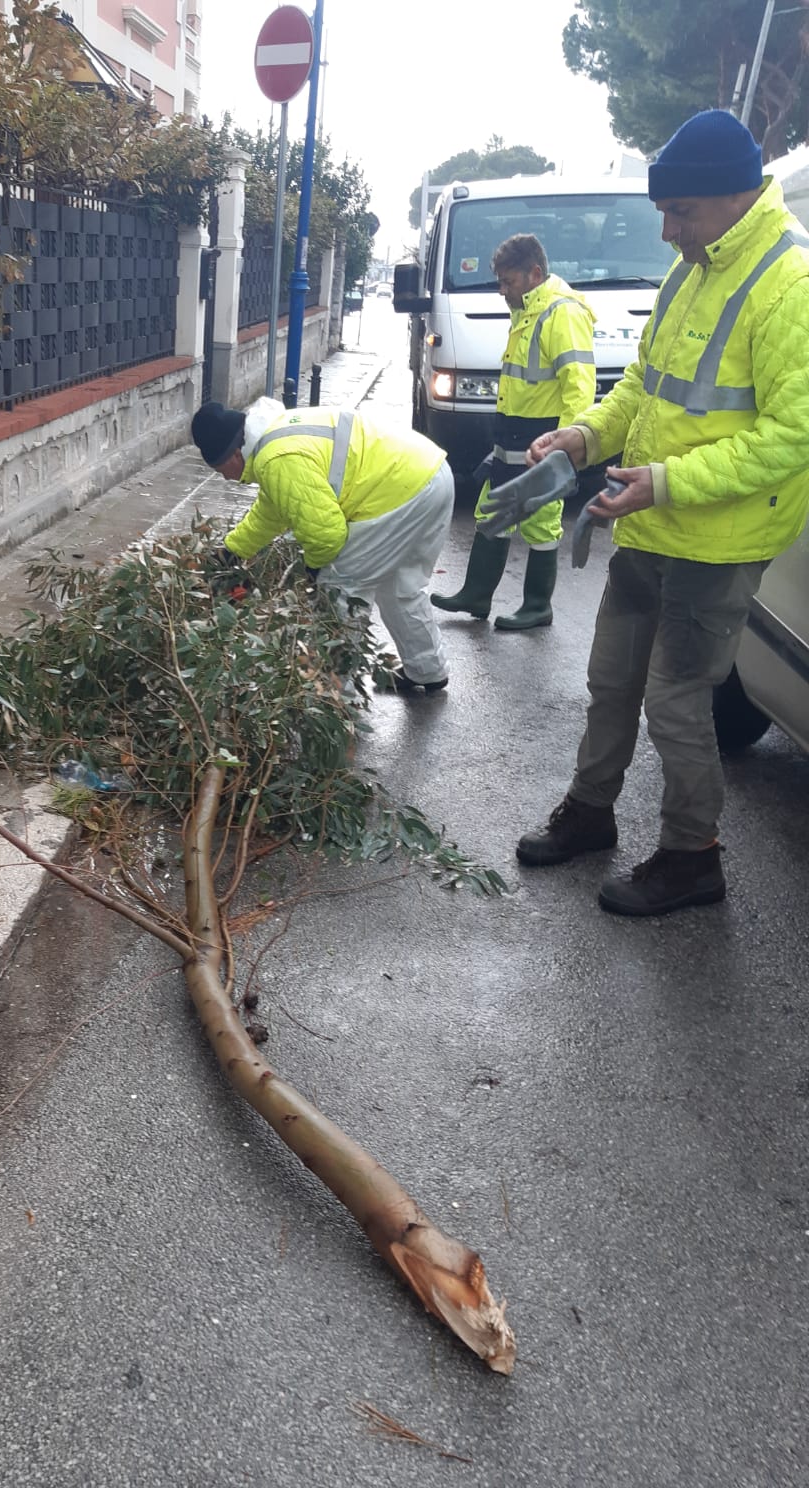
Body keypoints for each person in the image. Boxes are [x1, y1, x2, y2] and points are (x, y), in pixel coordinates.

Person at [516, 108, 809, 916]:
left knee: (676, 701)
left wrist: (668, 482)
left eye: (680, 212)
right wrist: (583, 436)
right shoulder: (694, 266)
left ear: (737, 194)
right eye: (666, 214)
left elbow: (793, 436)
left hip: (717, 542)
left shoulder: (791, 283)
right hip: (649, 521)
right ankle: (590, 811)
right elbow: (646, 385)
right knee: (611, 677)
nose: (670, 230)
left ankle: (692, 857)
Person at [190, 395, 454, 693]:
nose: (226, 479)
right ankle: (427, 670)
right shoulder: (276, 435)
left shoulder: (276, 459)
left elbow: (327, 536)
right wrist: (232, 550)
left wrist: (314, 569)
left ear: (232, 456)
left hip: (399, 494)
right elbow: (275, 509)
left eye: (219, 471)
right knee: (400, 587)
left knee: (341, 590)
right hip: (431, 475)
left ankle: (336, 697)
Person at [432, 232, 596, 629]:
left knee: (540, 520)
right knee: (492, 508)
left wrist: (567, 445)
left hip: (541, 437)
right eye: (501, 282)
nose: (502, 291)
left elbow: (580, 384)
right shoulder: (529, 309)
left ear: (534, 273)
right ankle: (476, 595)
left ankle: (538, 606)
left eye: (509, 282)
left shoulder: (561, 313)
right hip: (514, 433)